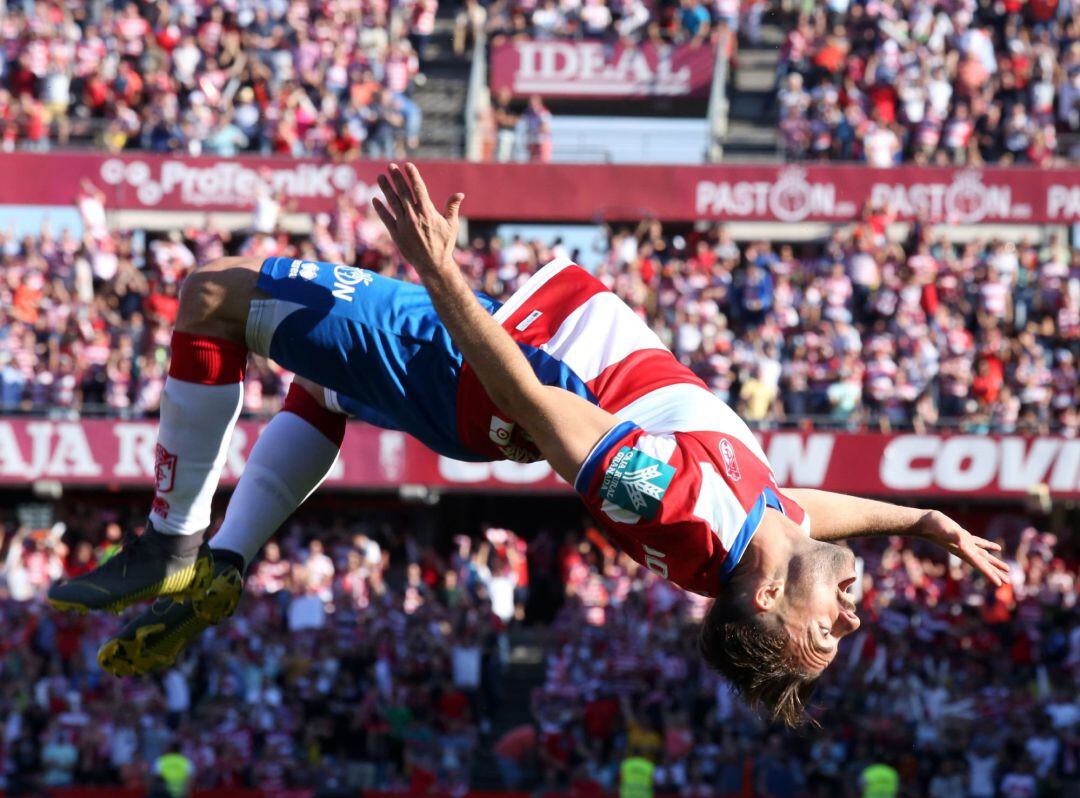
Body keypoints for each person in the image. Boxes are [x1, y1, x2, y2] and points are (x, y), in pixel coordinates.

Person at [47, 164, 1008, 726]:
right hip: (487, 379)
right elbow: (806, 509)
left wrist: (439, 274)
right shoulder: (756, 529)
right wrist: (917, 518)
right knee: (319, 386)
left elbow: (538, 404)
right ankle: (224, 560)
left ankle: (177, 537)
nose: (849, 622)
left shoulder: (670, 499)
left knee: (216, 295)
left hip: (481, 372)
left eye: (822, 637)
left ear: (765, 598)